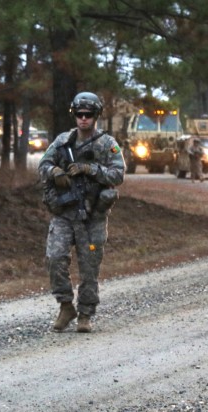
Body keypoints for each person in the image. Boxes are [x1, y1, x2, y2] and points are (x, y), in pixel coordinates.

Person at [38, 92, 125, 333]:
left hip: (92, 215)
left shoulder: (107, 144)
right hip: (65, 213)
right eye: (79, 114)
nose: (83, 119)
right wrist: (56, 172)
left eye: (88, 115)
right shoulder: (63, 141)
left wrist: (90, 169)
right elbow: (43, 165)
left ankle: (85, 313)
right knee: (55, 257)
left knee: (89, 266)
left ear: (96, 116)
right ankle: (66, 305)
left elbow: (118, 174)